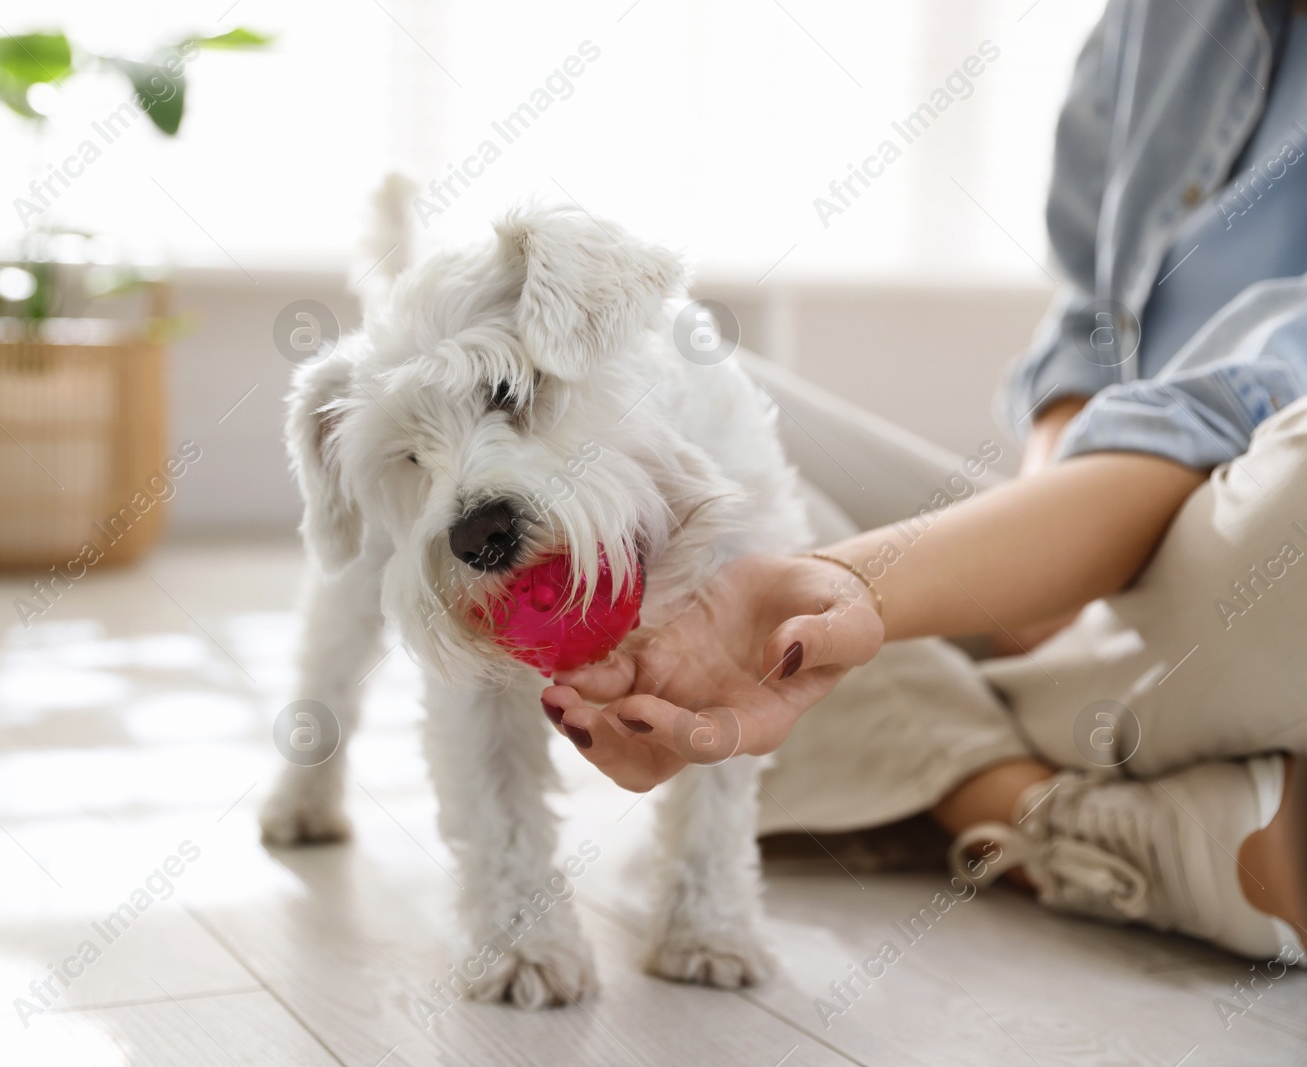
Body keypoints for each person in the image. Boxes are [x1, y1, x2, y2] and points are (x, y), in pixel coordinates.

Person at [541, 0, 1307, 962]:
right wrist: (1043, 485)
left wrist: (868, 582)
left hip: (1243, 533)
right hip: (1090, 520)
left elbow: (1246, 392)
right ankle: (1077, 792)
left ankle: (971, 775)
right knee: (678, 388)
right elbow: (1093, 319)